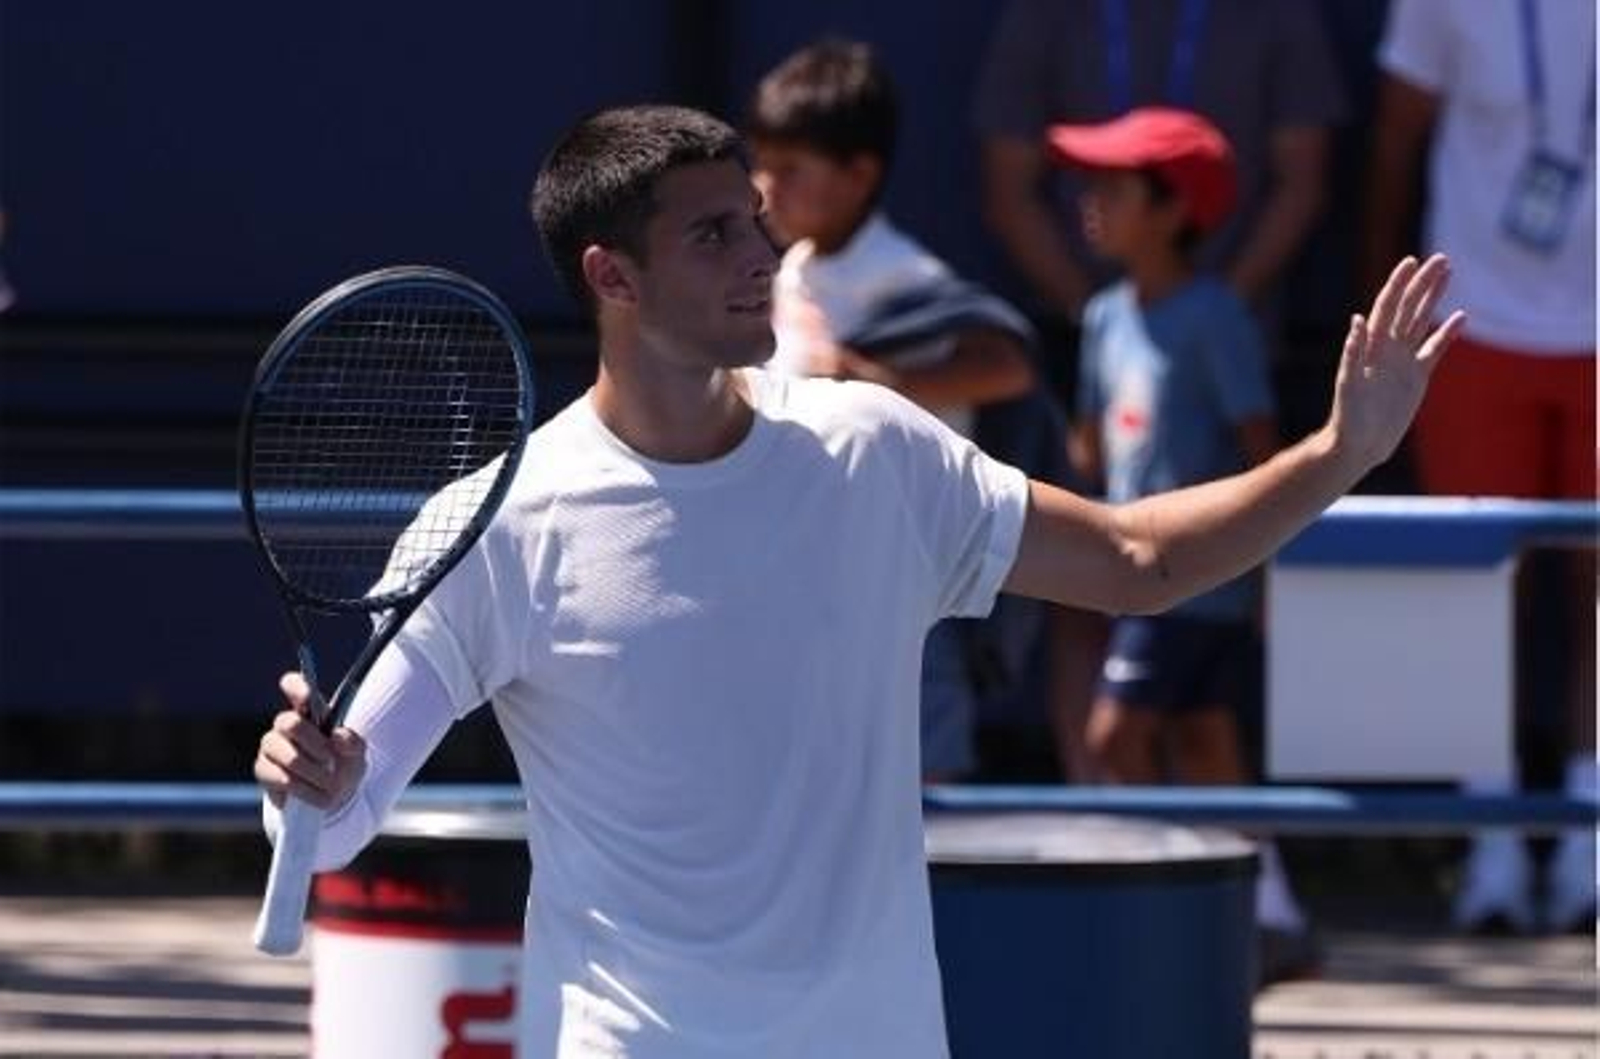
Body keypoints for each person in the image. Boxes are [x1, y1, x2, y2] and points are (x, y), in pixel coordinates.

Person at [253, 103, 1462, 1057]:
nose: (763, 257)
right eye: (713, 234)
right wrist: (310, 779)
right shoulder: (500, 525)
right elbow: (341, 806)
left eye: (758, 224)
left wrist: (1338, 454)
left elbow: (1139, 563)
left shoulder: (874, 454)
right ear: (611, 277)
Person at [1048, 105, 1315, 984]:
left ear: (1172, 211)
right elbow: (1093, 447)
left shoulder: (1217, 318)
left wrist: (1270, 572)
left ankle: (1167, 900)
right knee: (1205, 740)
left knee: (1118, 733)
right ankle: (1264, 913)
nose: (1090, 202)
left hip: (1207, 578)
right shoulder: (1101, 317)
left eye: (1114, 188)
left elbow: (1259, 449)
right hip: (1136, 575)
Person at [742, 38, 1046, 782]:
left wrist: (865, 378)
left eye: (788, 170)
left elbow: (1010, 366)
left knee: (922, 796)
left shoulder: (907, 277)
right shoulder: (788, 272)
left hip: (908, 590)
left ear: (859, 176)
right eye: (760, 163)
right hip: (802, 586)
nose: (762, 187)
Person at [1363, 0, 1596, 936]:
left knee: (1597, 586)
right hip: (1473, 326)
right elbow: (1394, 147)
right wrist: (1386, 317)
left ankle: (1587, 848)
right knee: (1474, 586)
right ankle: (1490, 851)